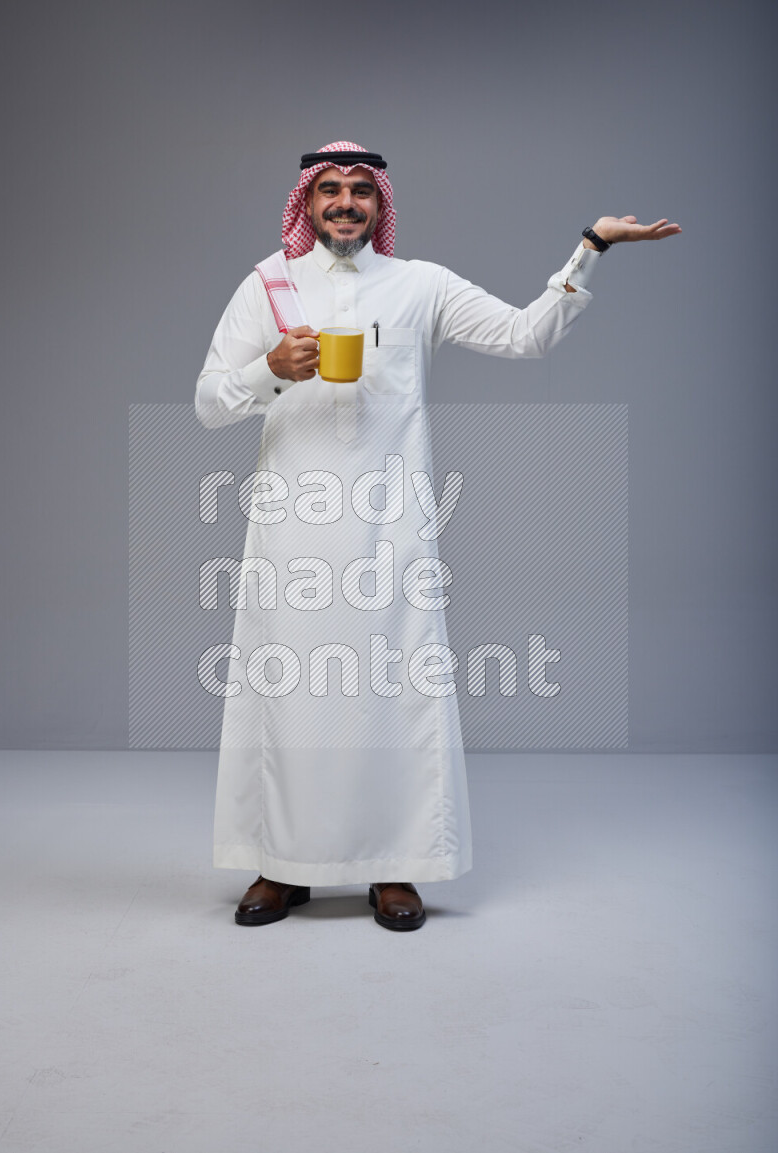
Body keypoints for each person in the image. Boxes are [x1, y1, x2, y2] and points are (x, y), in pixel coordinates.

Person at [195, 140, 680, 932]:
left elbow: (526, 336)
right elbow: (211, 402)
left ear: (381, 205)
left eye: (361, 191)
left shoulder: (420, 286)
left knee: (391, 696)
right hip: (293, 531)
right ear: (307, 204)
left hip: (392, 527)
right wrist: (270, 369)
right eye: (331, 190)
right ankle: (281, 865)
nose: (346, 202)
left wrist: (590, 248)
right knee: (290, 692)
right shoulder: (267, 287)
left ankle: (397, 867)